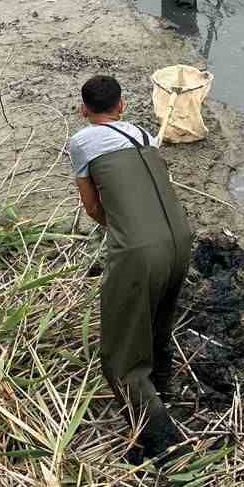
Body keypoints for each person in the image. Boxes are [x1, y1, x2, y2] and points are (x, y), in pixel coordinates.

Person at [67, 73, 194, 458]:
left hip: (139, 252)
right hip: (180, 242)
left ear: (84, 109)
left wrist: (123, 229)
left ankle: (163, 445)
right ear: (121, 106)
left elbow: (91, 207)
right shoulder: (142, 134)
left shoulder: (81, 141)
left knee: (122, 360)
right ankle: (164, 394)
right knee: (157, 325)